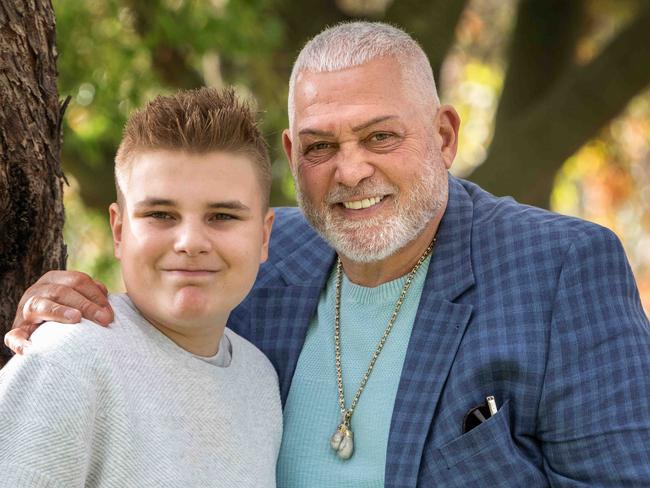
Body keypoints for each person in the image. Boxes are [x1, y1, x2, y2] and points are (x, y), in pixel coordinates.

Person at [6, 21, 650, 487]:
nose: (350, 171)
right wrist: (65, 303)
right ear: (290, 156)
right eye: (319, 147)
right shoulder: (255, 255)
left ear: (444, 135)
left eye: (380, 137)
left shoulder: (562, 268)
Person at [0, 88, 281, 487]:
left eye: (222, 215)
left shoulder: (260, 379)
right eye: (160, 214)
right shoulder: (68, 361)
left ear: (264, 236)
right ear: (119, 230)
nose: (190, 241)